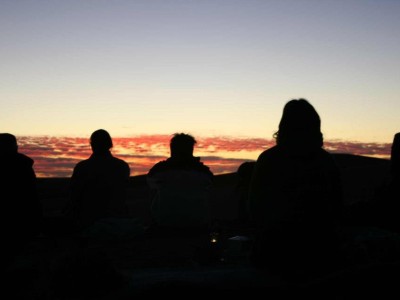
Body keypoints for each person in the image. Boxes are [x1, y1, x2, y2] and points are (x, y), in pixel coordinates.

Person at [247, 99, 344, 279]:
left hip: (276, 252)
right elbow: (338, 206)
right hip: (323, 252)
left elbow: (256, 207)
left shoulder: (269, 159)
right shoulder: (326, 161)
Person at [146, 133, 214, 234]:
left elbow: (150, 185)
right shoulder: (203, 172)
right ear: (191, 150)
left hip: (165, 224)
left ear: (172, 149)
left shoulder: (159, 170)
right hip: (197, 224)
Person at [66, 129, 131, 231]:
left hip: (89, 222)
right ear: (110, 144)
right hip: (118, 221)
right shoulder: (122, 166)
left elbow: (73, 197)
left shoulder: (82, 167)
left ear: (91, 145)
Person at [0, 133, 43, 258]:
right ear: (15, 147)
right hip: (23, 222)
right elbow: (32, 195)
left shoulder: (24, 165)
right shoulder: (24, 166)